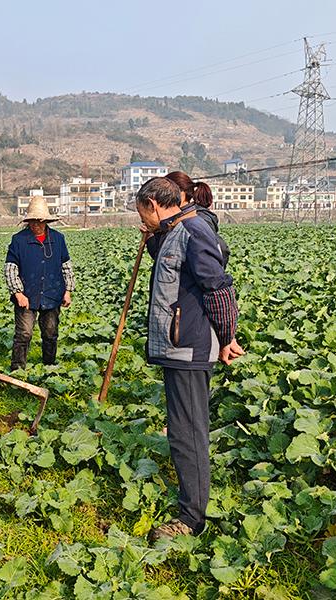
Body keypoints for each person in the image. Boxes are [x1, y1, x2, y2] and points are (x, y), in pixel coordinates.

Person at [133, 177, 244, 543]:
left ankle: (191, 518)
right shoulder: (175, 229)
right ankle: (192, 504)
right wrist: (153, 237)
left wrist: (227, 337)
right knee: (184, 428)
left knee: (188, 432)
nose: (142, 220)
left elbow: (219, 288)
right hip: (178, 346)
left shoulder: (194, 230)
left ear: (153, 204)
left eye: (142, 214)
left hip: (189, 347)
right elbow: (175, 270)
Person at [4, 196, 74, 371]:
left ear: (46, 221)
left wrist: (68, 291)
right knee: (24, 333)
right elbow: (10, 268)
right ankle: (17, 369)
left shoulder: (58, 239)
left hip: (52, 292)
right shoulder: (19, 240)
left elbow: (66, 266)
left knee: (50, 332)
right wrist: (18, 293)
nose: (36, 225)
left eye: (40, 221)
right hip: (27, 295)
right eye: (33, 221)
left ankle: (49, 366)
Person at [164, 171, 230, 265]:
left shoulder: (197, 219)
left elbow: (219, 251)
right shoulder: (178, 217)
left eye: (166, 193)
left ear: (181, 193)